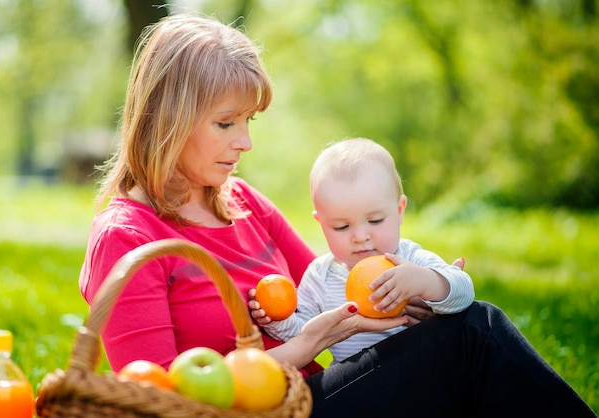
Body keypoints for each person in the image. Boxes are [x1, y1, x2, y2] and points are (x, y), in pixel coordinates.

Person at [78, 12, 596, 417]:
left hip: (315, 397)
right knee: (476, 334)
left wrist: (404, 298)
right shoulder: (128, 237)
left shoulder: (245, 203)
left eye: (249, 120)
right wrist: (307, 343)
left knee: (466, 330)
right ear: (170, 119)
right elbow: (159, 401)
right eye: (226, 123)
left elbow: (344, 284)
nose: (246, 141)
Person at [249, 138, 475, 365]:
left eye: (375, 220)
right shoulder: (321, 276)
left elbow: (464, 293)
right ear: (322, 224)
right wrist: (277, 319)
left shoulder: (409, 259)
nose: (360, 236)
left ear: (399, 210)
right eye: (342, 227)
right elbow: (301, 334)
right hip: (356, 382)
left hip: (416, 375)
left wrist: (425, 281)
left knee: (480, 318)